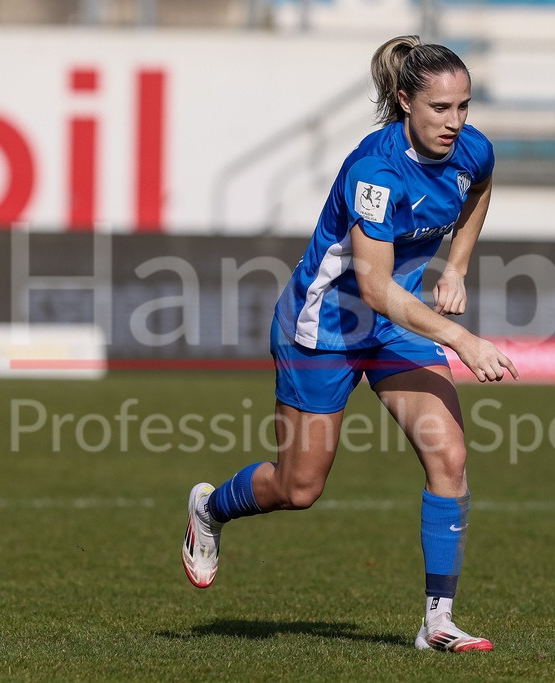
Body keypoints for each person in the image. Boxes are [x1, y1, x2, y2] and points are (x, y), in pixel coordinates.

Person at [182, 34, 518, 653]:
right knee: (298, 488)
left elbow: (479, 193)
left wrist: (456, 269)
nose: (455, 121)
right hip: (324, 329)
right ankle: (211, 508)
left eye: (464, 106)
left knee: (448, 457)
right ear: (404, 101)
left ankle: (437, 623)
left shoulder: (474, 152)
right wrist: (463, 341)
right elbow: (373, 286)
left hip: (394, 326)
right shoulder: (375, 171)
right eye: (440, 109)